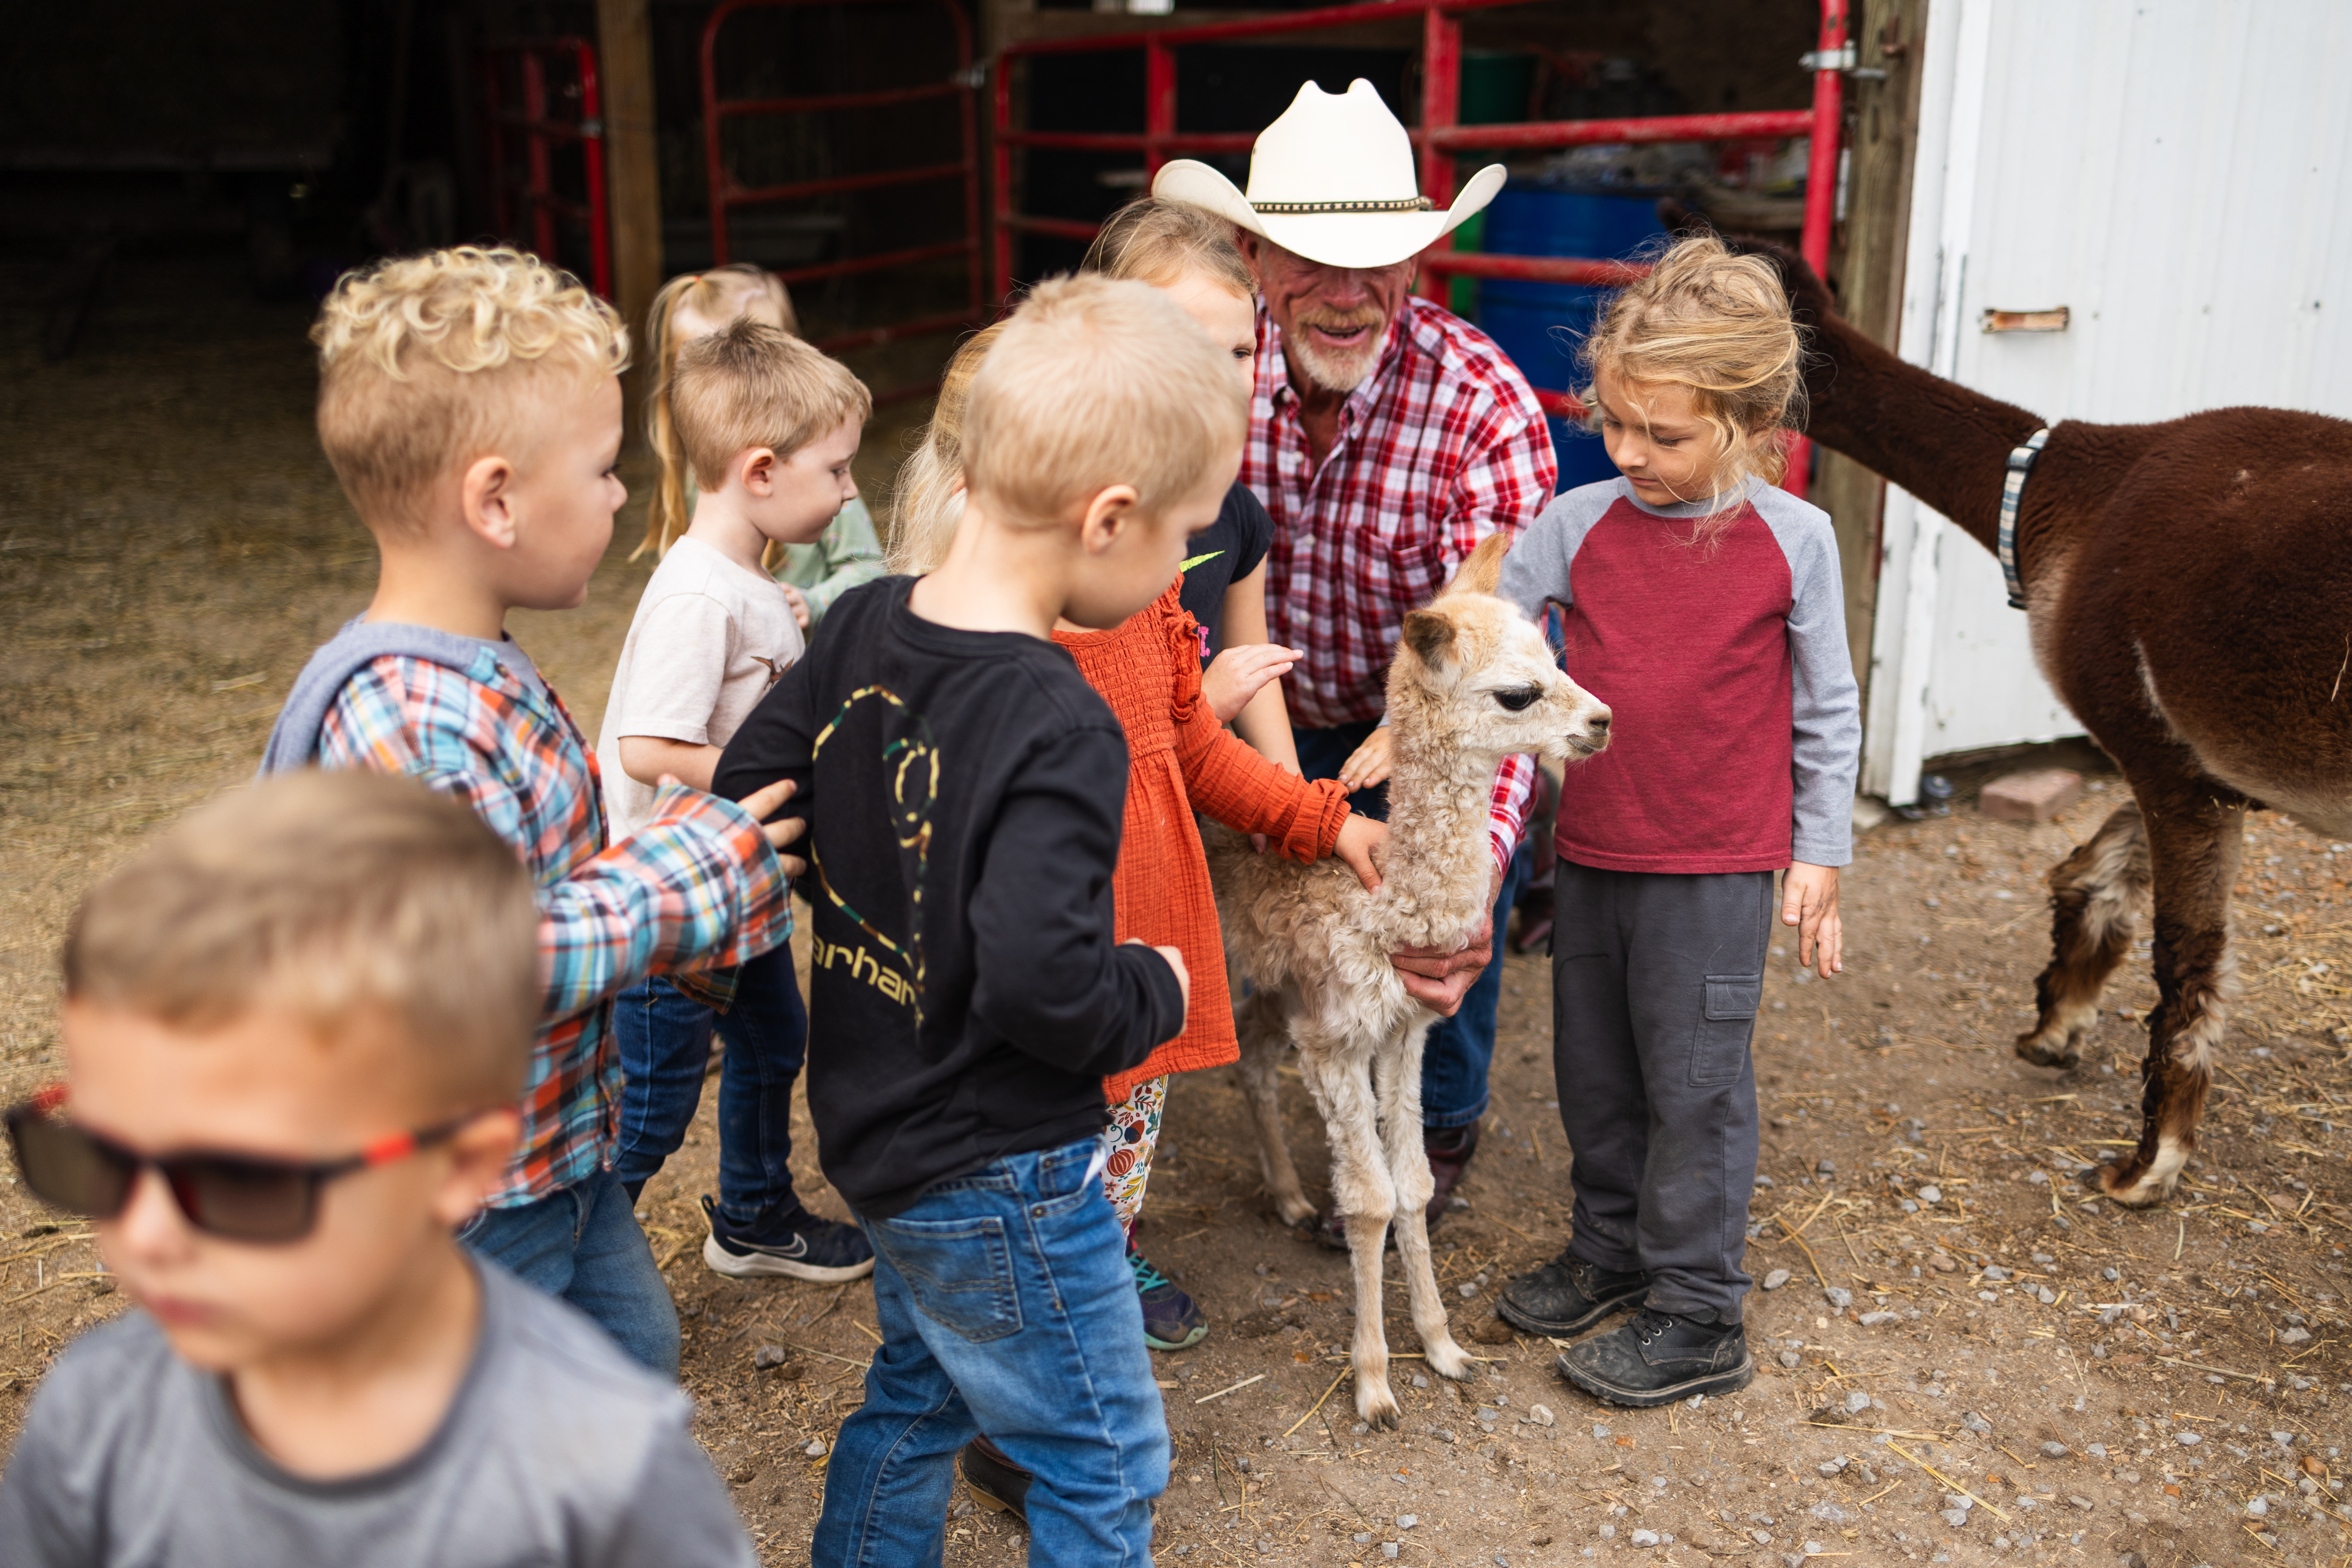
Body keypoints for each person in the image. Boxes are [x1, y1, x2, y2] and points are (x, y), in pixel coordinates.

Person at [713, 274, 1236, 1567]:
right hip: (1002, 1160)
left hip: (878, 1119)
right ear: (1108, 520)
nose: (1183, 565)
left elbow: (749, 788)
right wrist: (1154, 987)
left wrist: (868, 882)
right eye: (1184, 536)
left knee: (924, 1387)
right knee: (1103, 1452)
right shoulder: (1059, 718)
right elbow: (1046, 992)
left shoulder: (858, 626)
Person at [257, 246, 800, 1376]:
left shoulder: (474, 669)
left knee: (632, 1355)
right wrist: (693, 870)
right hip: (468, 1199)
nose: (619, 494)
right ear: (496, 500)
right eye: (603, 470)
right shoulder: (416, 725)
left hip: (554, 1151)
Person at [0, 772, 758, 1566]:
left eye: (238, 1177)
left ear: (458, 1165)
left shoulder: (610, 1479)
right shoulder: (93, 1417)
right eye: (98, 1152)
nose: (143, 1234)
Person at [1155, 80, 1556, 1233]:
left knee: (1436, 903)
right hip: (1246, 712)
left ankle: (1436, 1118)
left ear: (1422, 261)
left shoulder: (1482, 404)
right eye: (1305, 259)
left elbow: (1492, 675)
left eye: (1375, 260)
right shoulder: (1206, 379)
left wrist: (1466, 879)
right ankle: (1286, 1076)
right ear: (1250, 252)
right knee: (1288, 932)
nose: (1343, 295)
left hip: (1420, 730)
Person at [1491, 235, 1859, 1406]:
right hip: (1592, 849)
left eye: (1668, 434)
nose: (1632, 454)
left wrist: (1820, 854)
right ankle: (1610, 1250)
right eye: (1616, 425)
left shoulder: (1796, 542)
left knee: (1695, 1081)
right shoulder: (1576, 522)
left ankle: (1698, 1308)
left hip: (1715, 866)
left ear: (1752, 427)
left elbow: (1829, 707)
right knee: (1595, 1068)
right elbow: (1498, 634)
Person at [598, 317, 875, 1282]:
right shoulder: (697, 600)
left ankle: (754, 1211)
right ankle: (561, 1252)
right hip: (673, 910)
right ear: (760, 472)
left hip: (738, 886)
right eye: (836, 471)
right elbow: (646, 746)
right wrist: (773, 782)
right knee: (653, 1103)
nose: (849, 493)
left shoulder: (745, 583)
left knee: (773, 1035)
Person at [1083, 197, 1299, 771]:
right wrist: (1207, 705)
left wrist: (1291, 797)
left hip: (1193, 813)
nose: (1227, 382)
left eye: (1241, 352)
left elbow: (1247, 658)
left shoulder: (1238, 515)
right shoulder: (1077, 522)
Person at [637, 263, 886, 629]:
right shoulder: (695, 476)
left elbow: (870, 569)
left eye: (736, 366)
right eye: (694, 370)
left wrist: (813, 603)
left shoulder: (825, 486)